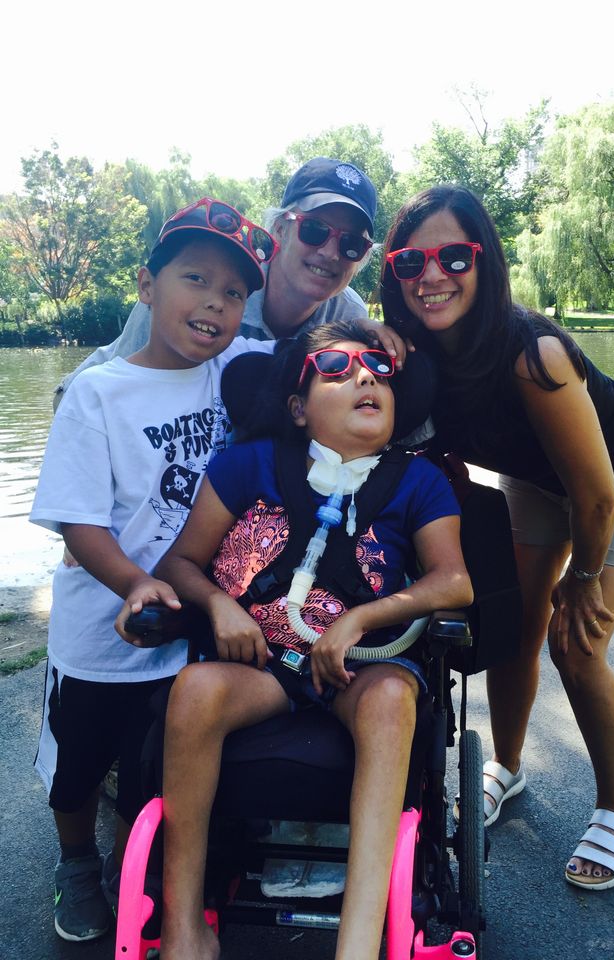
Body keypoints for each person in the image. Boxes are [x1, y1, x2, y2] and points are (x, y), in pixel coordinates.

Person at [380, 185, 614, 891]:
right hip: (545, 479)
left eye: (453, 257)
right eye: (411, 262)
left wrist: (580, 582)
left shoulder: (534, 355)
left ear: (485, 261)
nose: (432, 276)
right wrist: (383, 346)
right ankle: (508, 768)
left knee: (574, 644)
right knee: (513, 626)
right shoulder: (420, 353)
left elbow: (598, 496)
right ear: (394, 274)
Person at [144, 318, 473, 960]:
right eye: (337, 369)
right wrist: (218, 606)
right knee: (195, 687)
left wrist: (360, 620)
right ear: (297, 407)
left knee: (391, 700)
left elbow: (454, 581)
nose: (364, 377)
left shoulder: (418, 480)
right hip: (263, 665)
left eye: (378, 370)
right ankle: (186, 930)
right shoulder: (246, 465)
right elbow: (178, 563)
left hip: (360, 670)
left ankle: (357, 944)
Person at [29, 197, 278, 942]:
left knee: (164, 766)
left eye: (234, 293)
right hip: (107, 633)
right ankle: (77, 861)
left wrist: (372, 341)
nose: (215, 303)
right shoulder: (98, 392)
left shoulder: (237, 368)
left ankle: (142, 865)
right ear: (146, 284)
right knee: (79, 769)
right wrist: (133, 580)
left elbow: (314, 363)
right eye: (195, 278)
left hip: (190, 628)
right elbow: (77, 516)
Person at [53, 157, 400, 407]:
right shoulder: (190, 296)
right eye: (315, 230)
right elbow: (80, 397)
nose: (330, 252)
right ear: (278, 229)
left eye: (352, 244)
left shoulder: (349, 317)